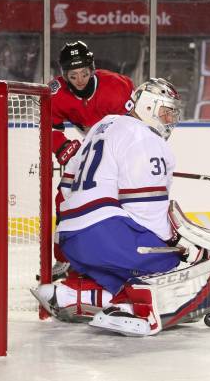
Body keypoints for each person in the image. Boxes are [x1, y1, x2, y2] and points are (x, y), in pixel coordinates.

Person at [32, 78, 210, 336]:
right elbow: (146, 211)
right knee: (172, 264)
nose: (169, 119)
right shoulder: (145, 137)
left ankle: (71, 294)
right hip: (103, 236)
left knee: (124, 274)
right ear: (148, 107)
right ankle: (131, 310)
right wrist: (175, 245)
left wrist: (63, 249)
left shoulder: (101, 126)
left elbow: (65, 190)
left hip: (72, 240)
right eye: (166, 111)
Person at [48, 40, 134, 280]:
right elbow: (49, 127)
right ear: (65, 76)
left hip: (122, 147)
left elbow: (136, 128)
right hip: (92, 148)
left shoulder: (116, 87)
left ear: (92, 68)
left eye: (84, 73)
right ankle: (64, 259)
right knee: (64, 196)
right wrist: (62, 146)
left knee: (125, 201)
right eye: (73, 75)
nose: (80, 80)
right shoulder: (56, 93)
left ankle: (129, 255)